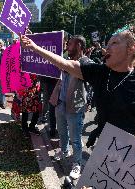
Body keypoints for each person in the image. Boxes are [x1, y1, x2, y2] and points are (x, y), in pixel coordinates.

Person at [20, 25, 135, 156]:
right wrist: (35, 47)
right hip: (109, 147)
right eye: (107, 43)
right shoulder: (100, 73)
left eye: (114, 43)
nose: (107, 47)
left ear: (132, 48)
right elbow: (66, 64)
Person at [49, 35, 88, 179]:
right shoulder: (66, 60)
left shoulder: (86, 63)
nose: (67, 46)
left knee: (76, 138)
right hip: (60, 103)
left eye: (69, 44)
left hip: (74, 107)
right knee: (62, 132)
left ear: (78, 46)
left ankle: (77, 163)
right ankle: (64, 151)